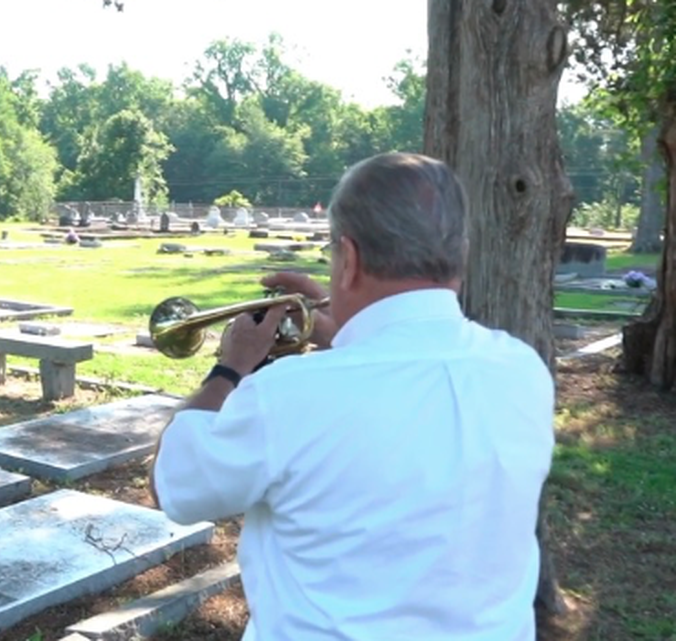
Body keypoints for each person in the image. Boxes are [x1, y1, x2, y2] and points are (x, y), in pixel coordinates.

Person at [149, 152, 555, 641]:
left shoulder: (286, 395)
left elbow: (174, 487)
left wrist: (228, 369)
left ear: (350, 258)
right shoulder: (521, 368)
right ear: (462, 253)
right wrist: (346, 330)